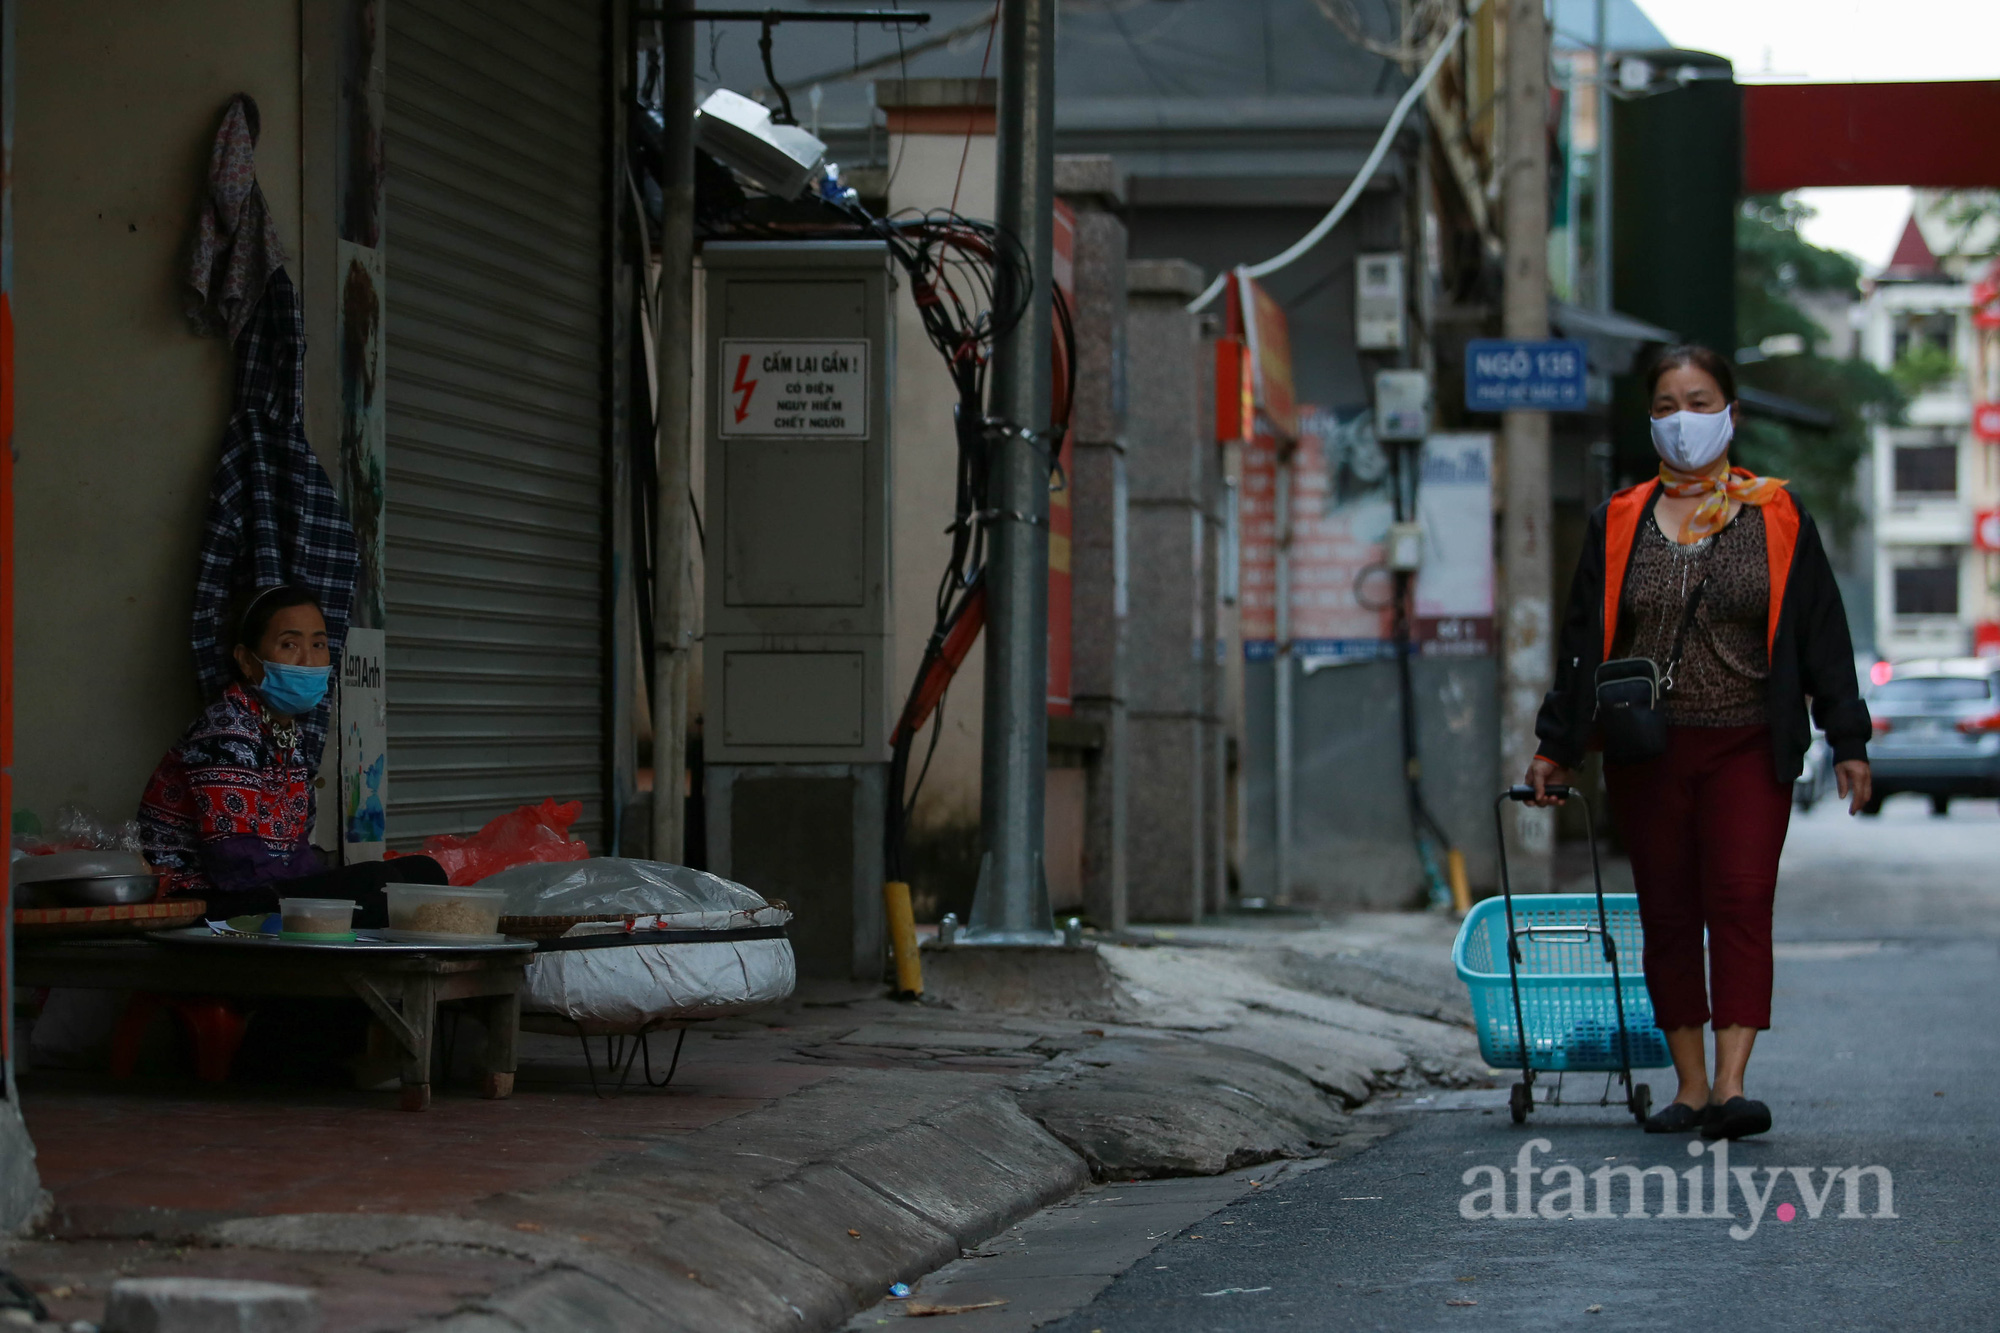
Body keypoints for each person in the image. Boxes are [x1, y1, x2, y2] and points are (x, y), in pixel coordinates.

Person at [1524, 344, 1871, 1141]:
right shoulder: (1620, 519)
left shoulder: (1777, 513)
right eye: (1667, 406)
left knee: (1742, 900)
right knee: (1669, 912)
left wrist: (1847, 739)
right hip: (1649, 750)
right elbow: (1583, 642)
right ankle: (1687, 1085)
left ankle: (1732, 1083)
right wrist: (1558, 744)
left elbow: (1824, 635)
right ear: (1650, 420)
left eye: (1699, 400)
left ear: (1732, 414)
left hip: (1750, 743)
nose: (1684, 419)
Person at [138, 583, 445, 925]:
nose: (309, 661)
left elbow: (295, 850)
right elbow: (233, 860)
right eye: (289, 645)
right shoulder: (225, 732)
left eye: (318, 644)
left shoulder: (287, 734)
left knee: (423, 872)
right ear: (246, 661)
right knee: (378, 886)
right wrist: (317, 899)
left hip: (264, 889)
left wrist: (320, 890)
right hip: (205, 900)